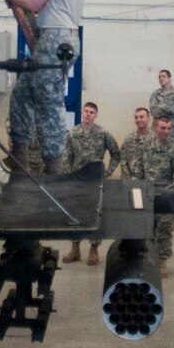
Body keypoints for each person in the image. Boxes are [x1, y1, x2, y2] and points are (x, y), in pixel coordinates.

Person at [0, 0, 88, 171]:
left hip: (55, 38)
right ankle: (19, 155)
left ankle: (53, 167)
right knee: (22, 94)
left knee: (49, 103)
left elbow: (35, 2)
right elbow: (45, 3)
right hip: (63, 37)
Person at [59, 101, 122, 266]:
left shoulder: (103, 134)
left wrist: (107, 173)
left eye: (92, 112)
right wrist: (67, 179)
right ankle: (75, 249)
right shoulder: (72, 134)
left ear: (96, 115)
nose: (88, 114)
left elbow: (116, 154)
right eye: (86, 111)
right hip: (77, 181)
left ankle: (94, 250)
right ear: (82, 113)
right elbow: (66, 158)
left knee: (96, 215)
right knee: (74, 215)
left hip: (95, 181)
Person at [128, 112, 174, 277]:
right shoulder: (146, 145)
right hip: (147, 194)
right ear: (155, 127)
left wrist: (171, 195)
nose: (166, 131)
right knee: (146, 229)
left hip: (166, 197)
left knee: (164, 230)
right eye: (163, 128)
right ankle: (148, 259)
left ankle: (162, 261)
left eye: (169, 128)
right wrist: (135, 189)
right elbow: (138, 170)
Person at [149, 70, 174, 144]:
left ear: (169, 78)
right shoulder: (155, 94)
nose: (161, 78)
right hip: (157, 131)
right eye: (159, 77)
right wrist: (170, 109)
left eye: (163, 76)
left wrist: (162, 106)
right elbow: (154, 112)